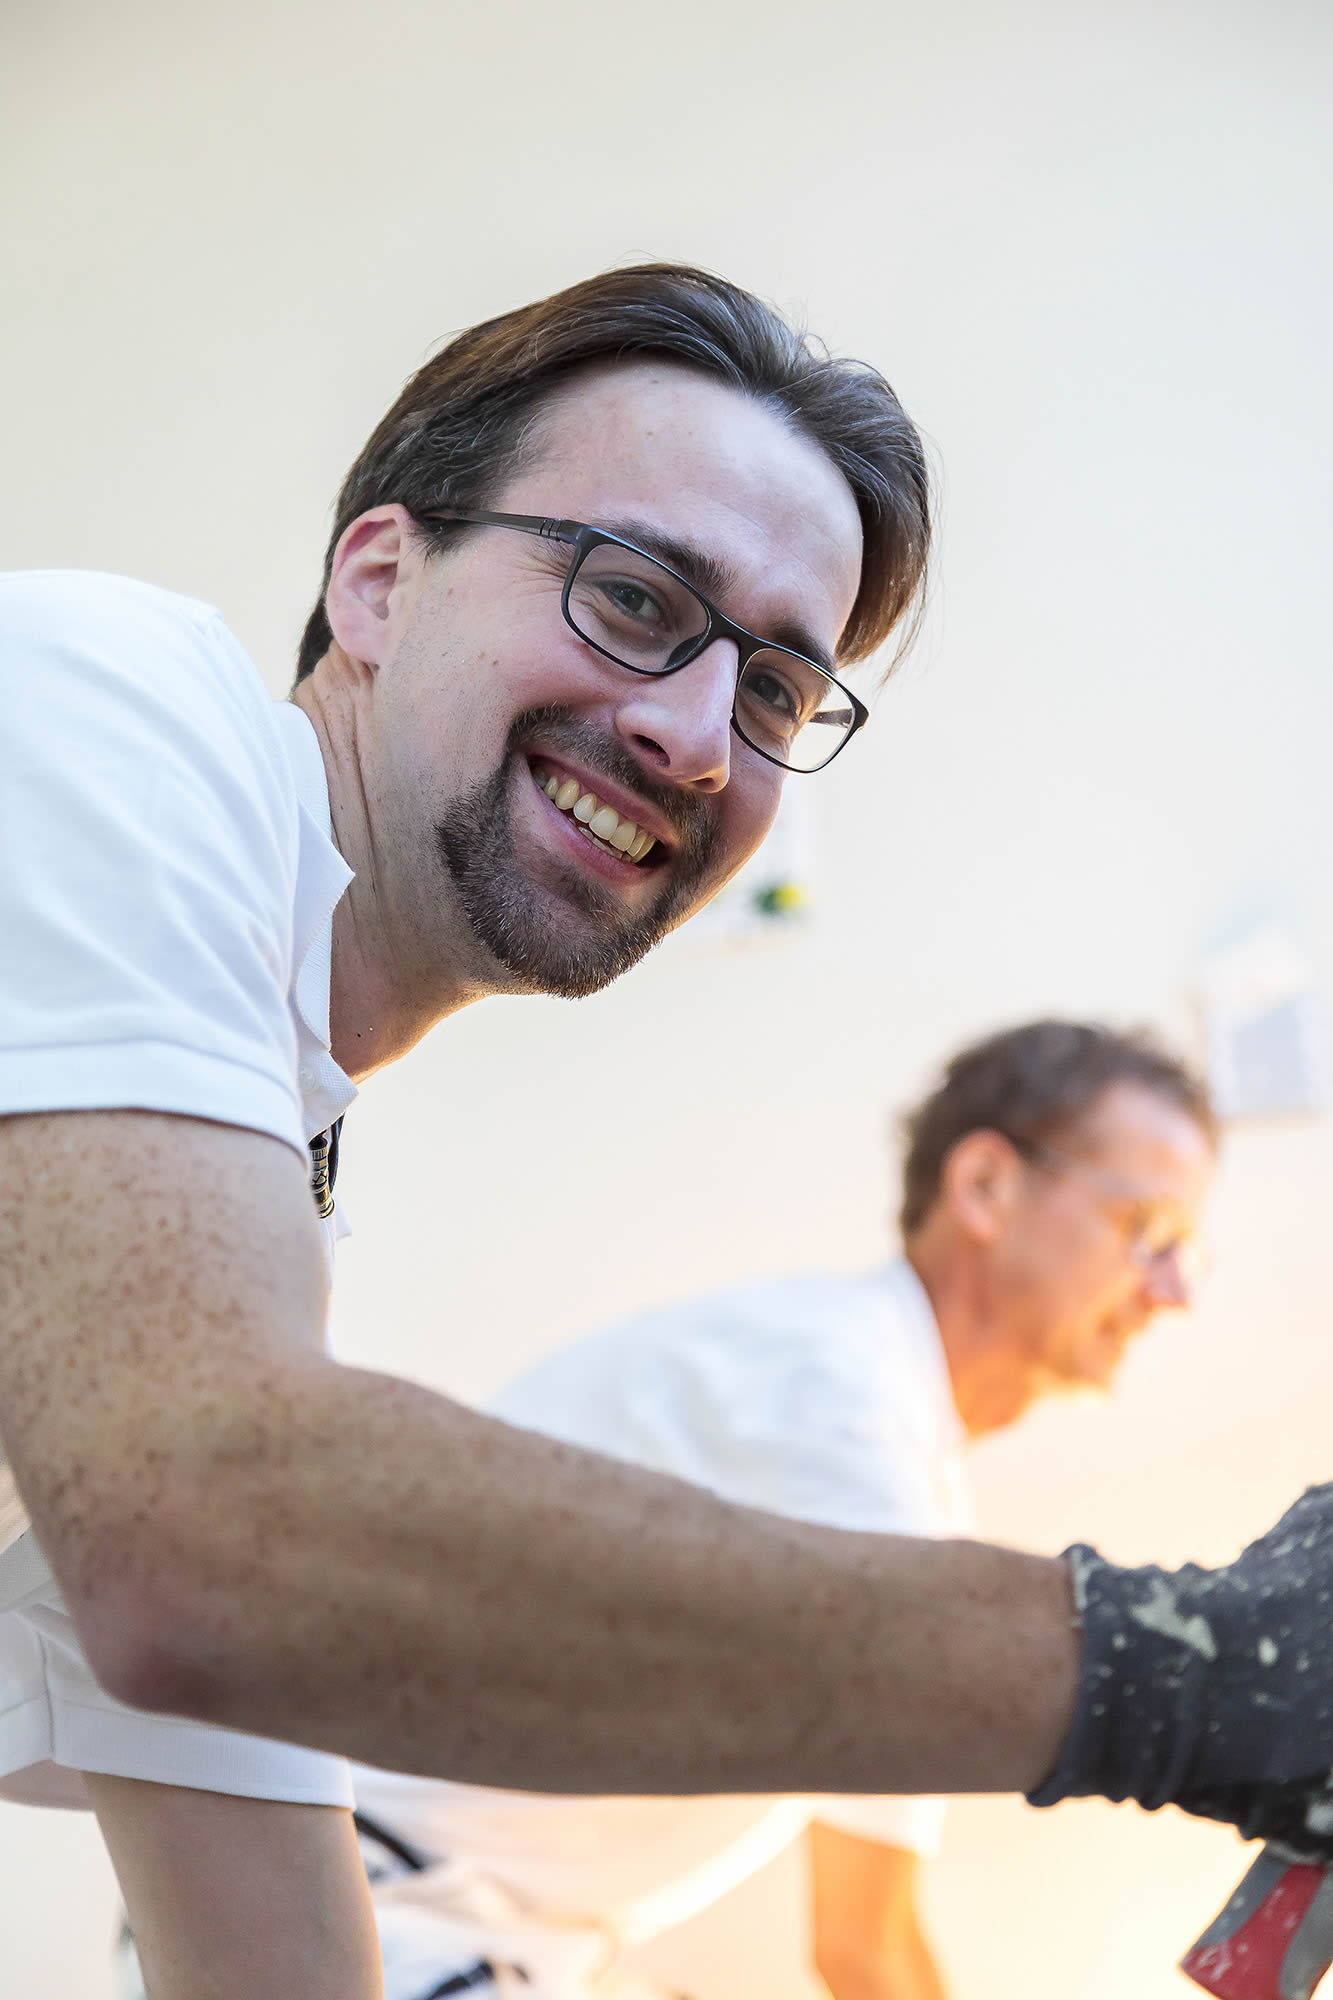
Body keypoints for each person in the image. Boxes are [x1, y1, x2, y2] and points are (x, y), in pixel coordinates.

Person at [2, 263, 1331, 2000]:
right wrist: (1183, 1674)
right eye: (633, 600)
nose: (701, 738)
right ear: (380, 579)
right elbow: (207, 1541)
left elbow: (233, 1782)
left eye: (776, 692)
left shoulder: (254, 1203)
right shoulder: (97, 701)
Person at [187, 1018, 1203, 2000]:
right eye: (1145, 1227)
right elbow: (864, 1947)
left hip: (453, 1919)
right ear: (984, 1183)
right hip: (371, 1926)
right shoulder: (844, 1429)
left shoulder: (843, 1390)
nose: (1173, 1291)